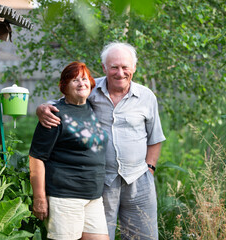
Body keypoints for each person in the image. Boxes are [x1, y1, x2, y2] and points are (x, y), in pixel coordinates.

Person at [36, 42, 166, 240]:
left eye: (125, 67)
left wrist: (150, 168)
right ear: (104, 68)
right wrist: (43, 107)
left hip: (139, 179)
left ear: (134, 68)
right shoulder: (90, 89)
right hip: (103, 181)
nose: (120, 73)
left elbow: (155, 138)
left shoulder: (146, 97)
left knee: (144, 236)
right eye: (114, 67)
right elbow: (64, 102)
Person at [29, 61, 110, 240]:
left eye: (84, 79)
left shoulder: (92, 107)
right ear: (64, 87)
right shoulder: (54, 114)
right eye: (74, 80)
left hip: (93, 197)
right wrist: (39, 198)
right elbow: (36, 157)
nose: (81, 83)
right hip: (64, 196)